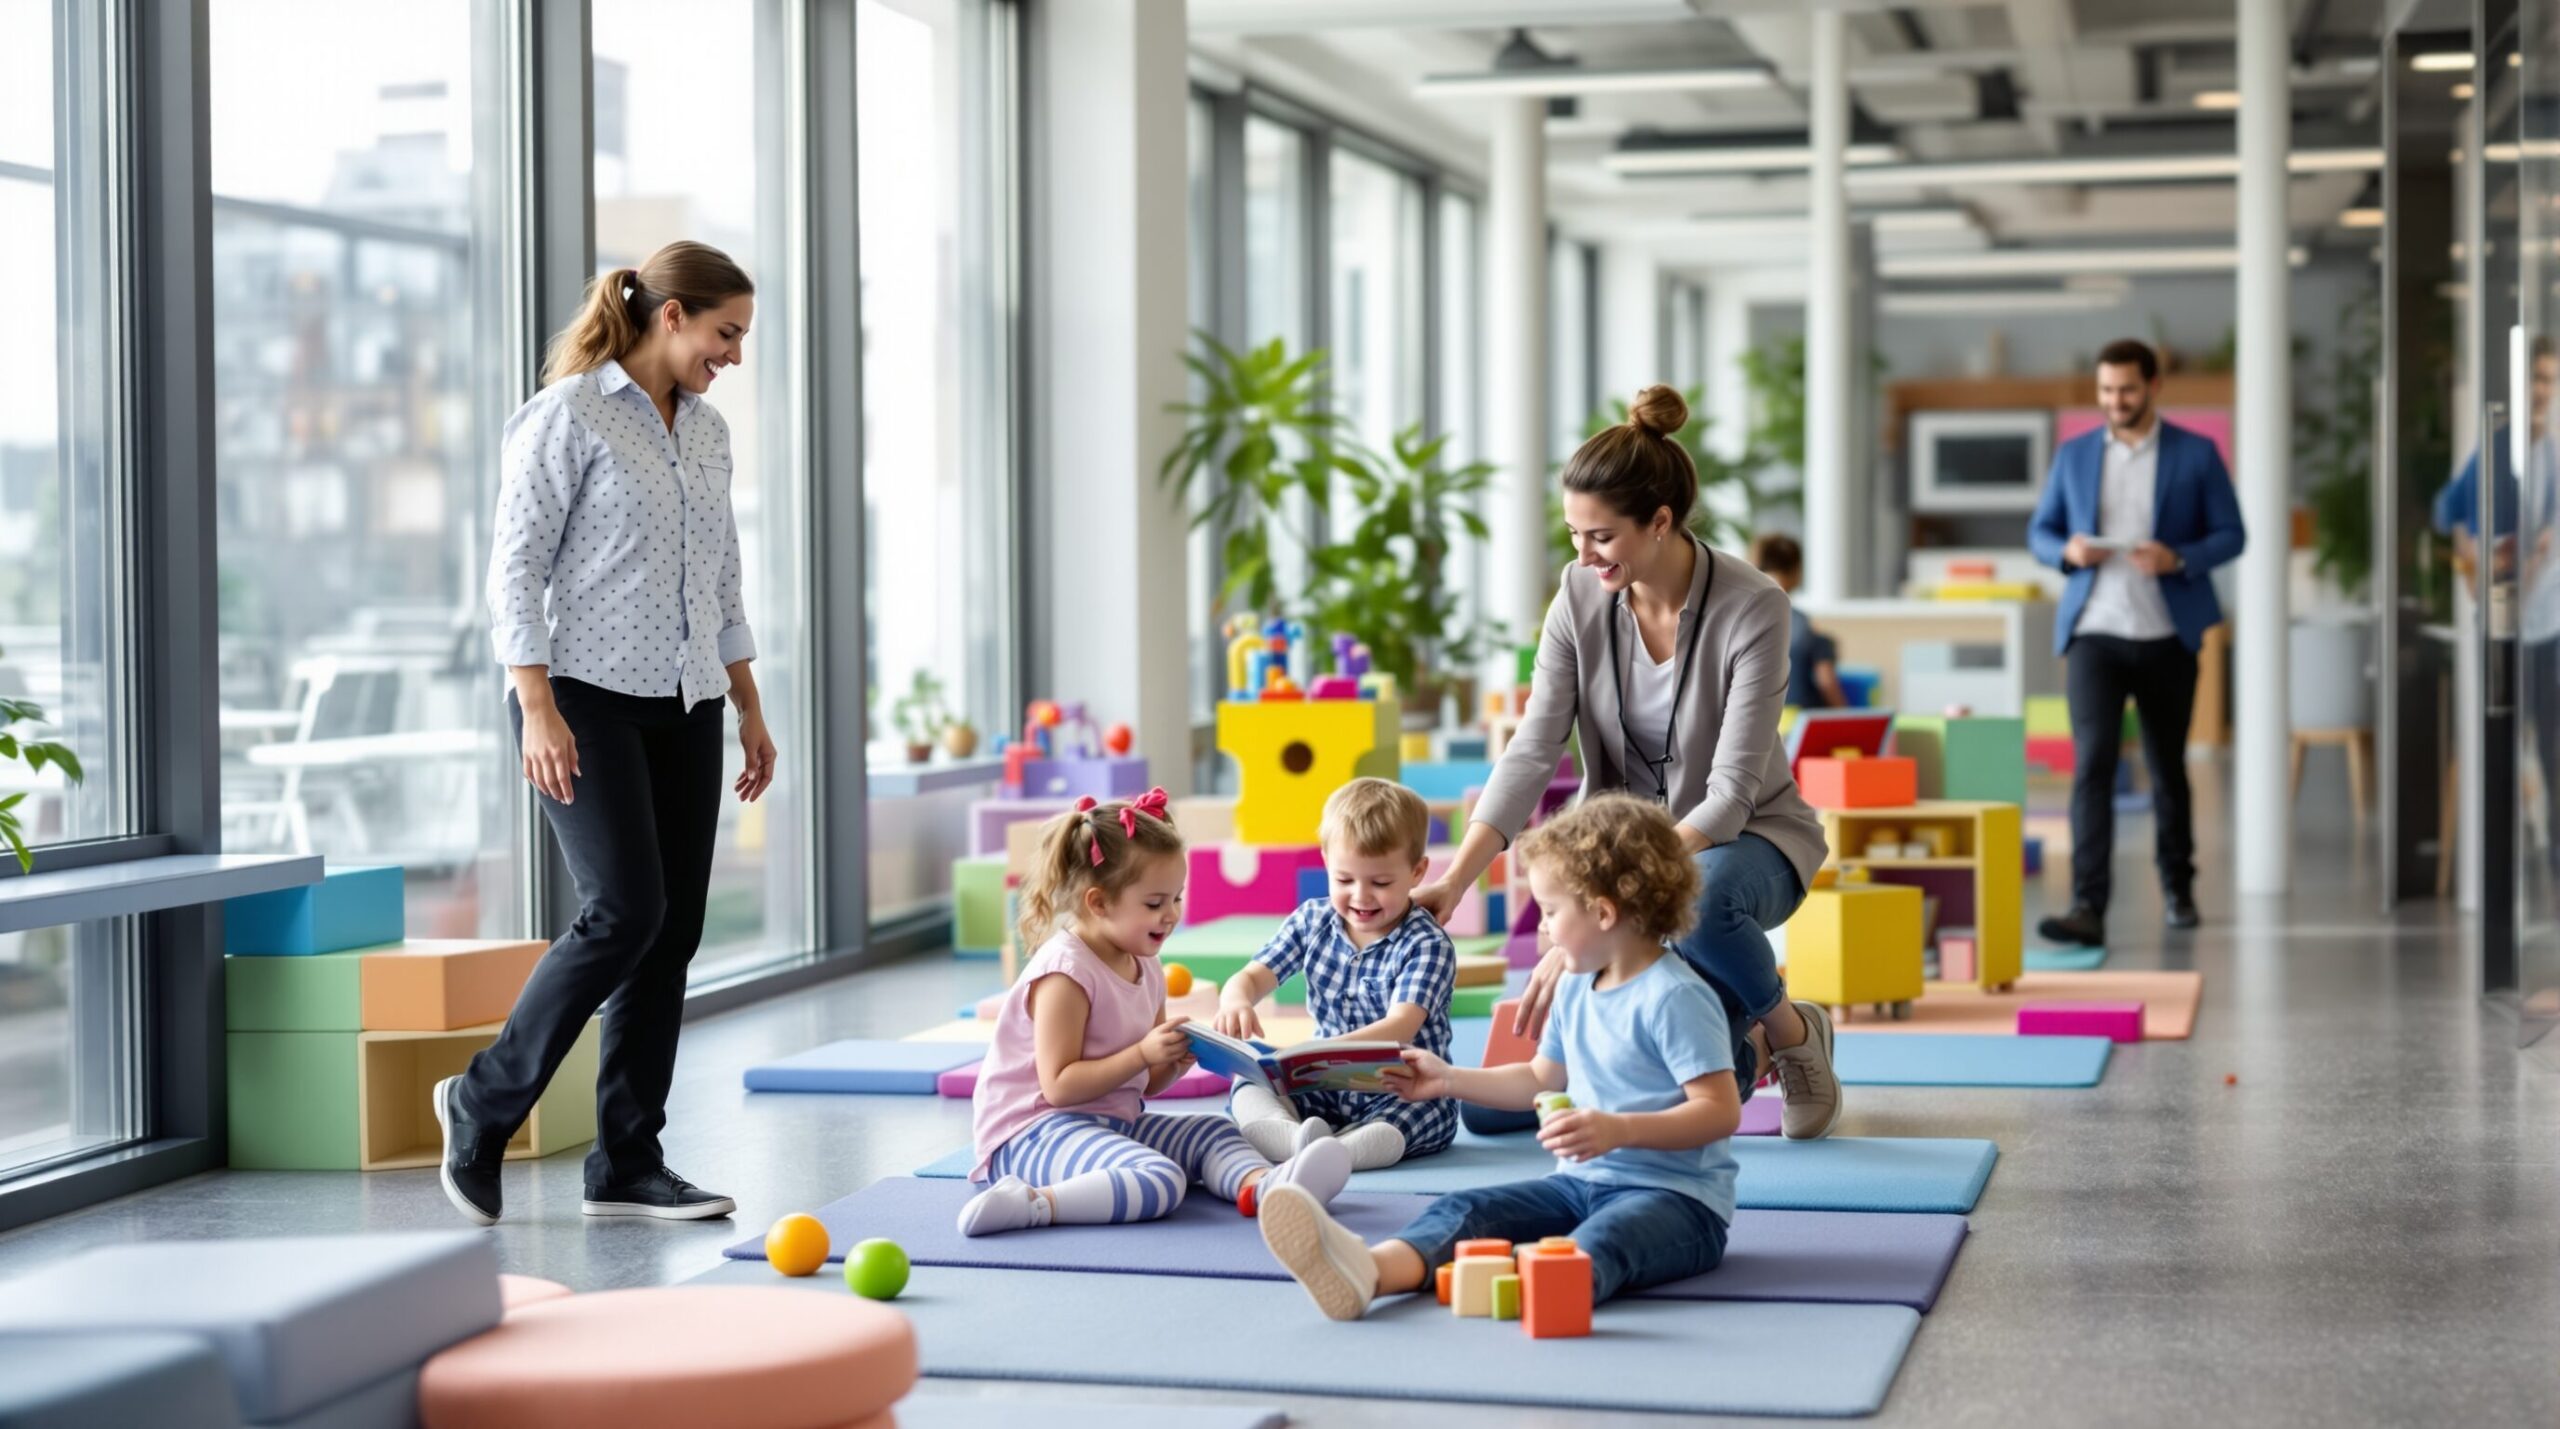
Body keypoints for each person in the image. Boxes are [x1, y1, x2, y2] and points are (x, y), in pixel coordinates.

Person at [434, 241, 777, 1227]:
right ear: (670, 318)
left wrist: (749, 703)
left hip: (687, 698)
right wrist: (535, 705)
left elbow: (720, 581)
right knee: (623, 910)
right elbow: (514, 573)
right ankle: (482, 1099)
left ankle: (627, 1159)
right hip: (579, 695)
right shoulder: (566, 417)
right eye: (725, 333)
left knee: (672, 932)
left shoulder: (707, 433)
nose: (733, 355)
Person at [1413, 384, 1841, 1141]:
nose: (1581, 556)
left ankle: (1791, 1031)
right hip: (1618, 855)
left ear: (1661, 522)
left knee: (1703, 910)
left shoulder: (1755, 606)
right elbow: (1533, 746)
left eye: (1600, 537)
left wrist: (1609, 891)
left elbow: (1732, 794)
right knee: (1488, 1112)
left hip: (1747, 842)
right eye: (1574, 534)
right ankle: (1745, 1038)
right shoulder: (1578, 597)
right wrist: (1455, 878)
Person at [1258, 796, 1739, 1321]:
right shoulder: (1577, 985)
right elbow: (1537, 1078)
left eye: (1552, 912)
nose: (1546, 931)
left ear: (1604, 912)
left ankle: (1523, 1283)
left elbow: (1719, 1110)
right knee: (1465, 1209)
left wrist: (1617, 1130)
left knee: (1604, 1241)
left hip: (1678, 1203)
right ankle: (1370, 1271)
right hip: (1579, 1184)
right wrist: (1447, 1080)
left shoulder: (1675, 997)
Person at [957, 790, 1352, 1235]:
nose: (1171, 915)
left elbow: (1145, 1083)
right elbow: (1060, 1086)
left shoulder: (1146, 964)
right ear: (1099, 902)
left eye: (1176, 899)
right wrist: (1144, 1053)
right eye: (1154, 903)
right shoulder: (1064, 972)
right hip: (1032, 1134)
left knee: (1215, 1132)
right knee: (1161, 1180)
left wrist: (1172, 1062)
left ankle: (1268, 1188)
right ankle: (1032, 1204)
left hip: (1109, 1124)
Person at [2027, 338, 2245, 946]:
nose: (2114, 401)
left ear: (2153, 387)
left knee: (2167, 766)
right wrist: (2066, 552)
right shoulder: (2073, 456)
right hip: (2094, 629)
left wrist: (2178, 557)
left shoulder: (2196, 455)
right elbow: (2040, 531)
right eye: (2105, 391)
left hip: (2167, 633)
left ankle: (2178, 888)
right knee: (2092, 765)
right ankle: (2087, 905)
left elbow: (2233, 535)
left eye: (2125, 390)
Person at [1214, 778, 1459, 1170]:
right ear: (1327, 861)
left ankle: (1337, 1153)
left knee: (1402, 1123)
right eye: (1345, 880)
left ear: (1417, 872)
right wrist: (1236, 998)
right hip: (1324, 1087)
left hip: (1401, 1089)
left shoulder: (1426, 943)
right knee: (1250, 1082)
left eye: (1380, 883)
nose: (1361, 896)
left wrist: (1328, 1054)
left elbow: (1401, 1025)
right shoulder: (1312, 920)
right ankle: (1289, 1137)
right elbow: (1254, 976)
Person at [1748, 532, 1848, 709]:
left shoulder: (1745, 618)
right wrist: (1847, 717)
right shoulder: (1801, 624)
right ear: (1796, 571)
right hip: (1799, 719)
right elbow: (1825, 679)